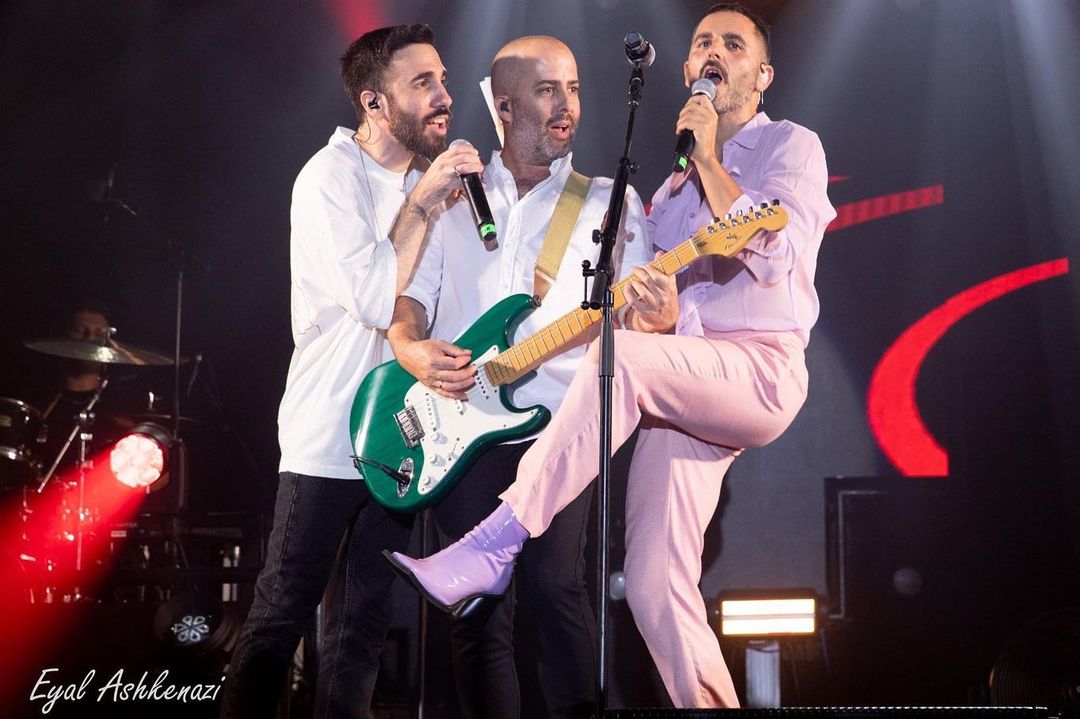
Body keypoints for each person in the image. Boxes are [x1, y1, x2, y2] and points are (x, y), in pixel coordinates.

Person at [387, 3, 835, 709]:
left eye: (734, 43)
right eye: (703, 41)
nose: (714, 51)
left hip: (757, 370)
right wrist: (656, 312)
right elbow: (657, 318)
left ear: (762, 75)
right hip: (681, 386)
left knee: (619, 358)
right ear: (686, 71)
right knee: (654, 586)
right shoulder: (667, 194)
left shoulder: (791, 146)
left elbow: (774, 254)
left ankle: (496, 538)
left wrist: (710, 156)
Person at [220, 24, 482, 719]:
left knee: (360, 627)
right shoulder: (329, 177)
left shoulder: (431, 185)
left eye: (443, 80)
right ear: (373, 102)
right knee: (282, 611)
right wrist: (421, 204)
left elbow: (431, 301)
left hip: (400, 436)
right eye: (422, 83)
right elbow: (371, 297)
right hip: (329, 435)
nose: (443, 96)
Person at [387, 36, 653, 719]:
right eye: (547, 90)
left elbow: (644, 326)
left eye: (574, 88)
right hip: (458, 428)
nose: (568, 105)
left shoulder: (609, 203)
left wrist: (653, 311)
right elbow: (407, 297)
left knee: (557, 589)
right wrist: (410, 348)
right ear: (503, 106)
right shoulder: (453, 196)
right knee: (476, 615)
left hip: (559, 429)